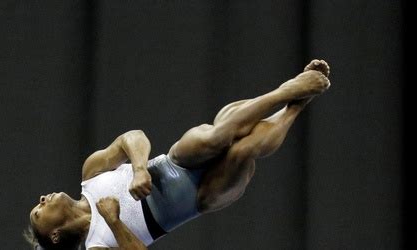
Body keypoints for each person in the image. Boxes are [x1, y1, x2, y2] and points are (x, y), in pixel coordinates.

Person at [25, 59, 331, 250]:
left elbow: (132, 137)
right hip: (202, 197)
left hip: (179, 161)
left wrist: (141, 169)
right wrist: (115, 223)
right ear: (54, 235)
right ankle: (296, 106)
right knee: (244, 150)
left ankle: (287, 91)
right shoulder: (97, 245)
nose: (41, 200)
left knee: (218, 135)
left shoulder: (90, 176)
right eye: (39, 213)